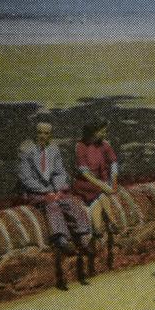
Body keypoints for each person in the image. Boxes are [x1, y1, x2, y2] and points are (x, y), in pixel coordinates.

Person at [18, 122, 93, 288]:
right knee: (52, 206)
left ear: (50, 135)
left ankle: (82, 236)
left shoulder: (54, 150)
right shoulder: (26, 152)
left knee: (70, 202)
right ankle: (61, 238)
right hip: (35, 193)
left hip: (53, 191)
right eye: (40, 133)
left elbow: (60, 172)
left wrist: (58, 189)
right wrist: (46, 192)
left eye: (46, 133)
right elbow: (26, 178)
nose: (43, 136)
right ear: (35, 133)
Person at [72, 119, 118, 241]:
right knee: (101, 193)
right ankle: (112, 220)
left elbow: (113, 164)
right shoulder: (80, 146)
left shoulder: (104, 144)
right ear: (93, 133)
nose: (104, 134)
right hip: (84, 183)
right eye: (102, 132)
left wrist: (113, 182)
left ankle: (97, 228)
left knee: (97, 200)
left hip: (98, 182)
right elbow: (84, 173)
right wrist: (103, 185)